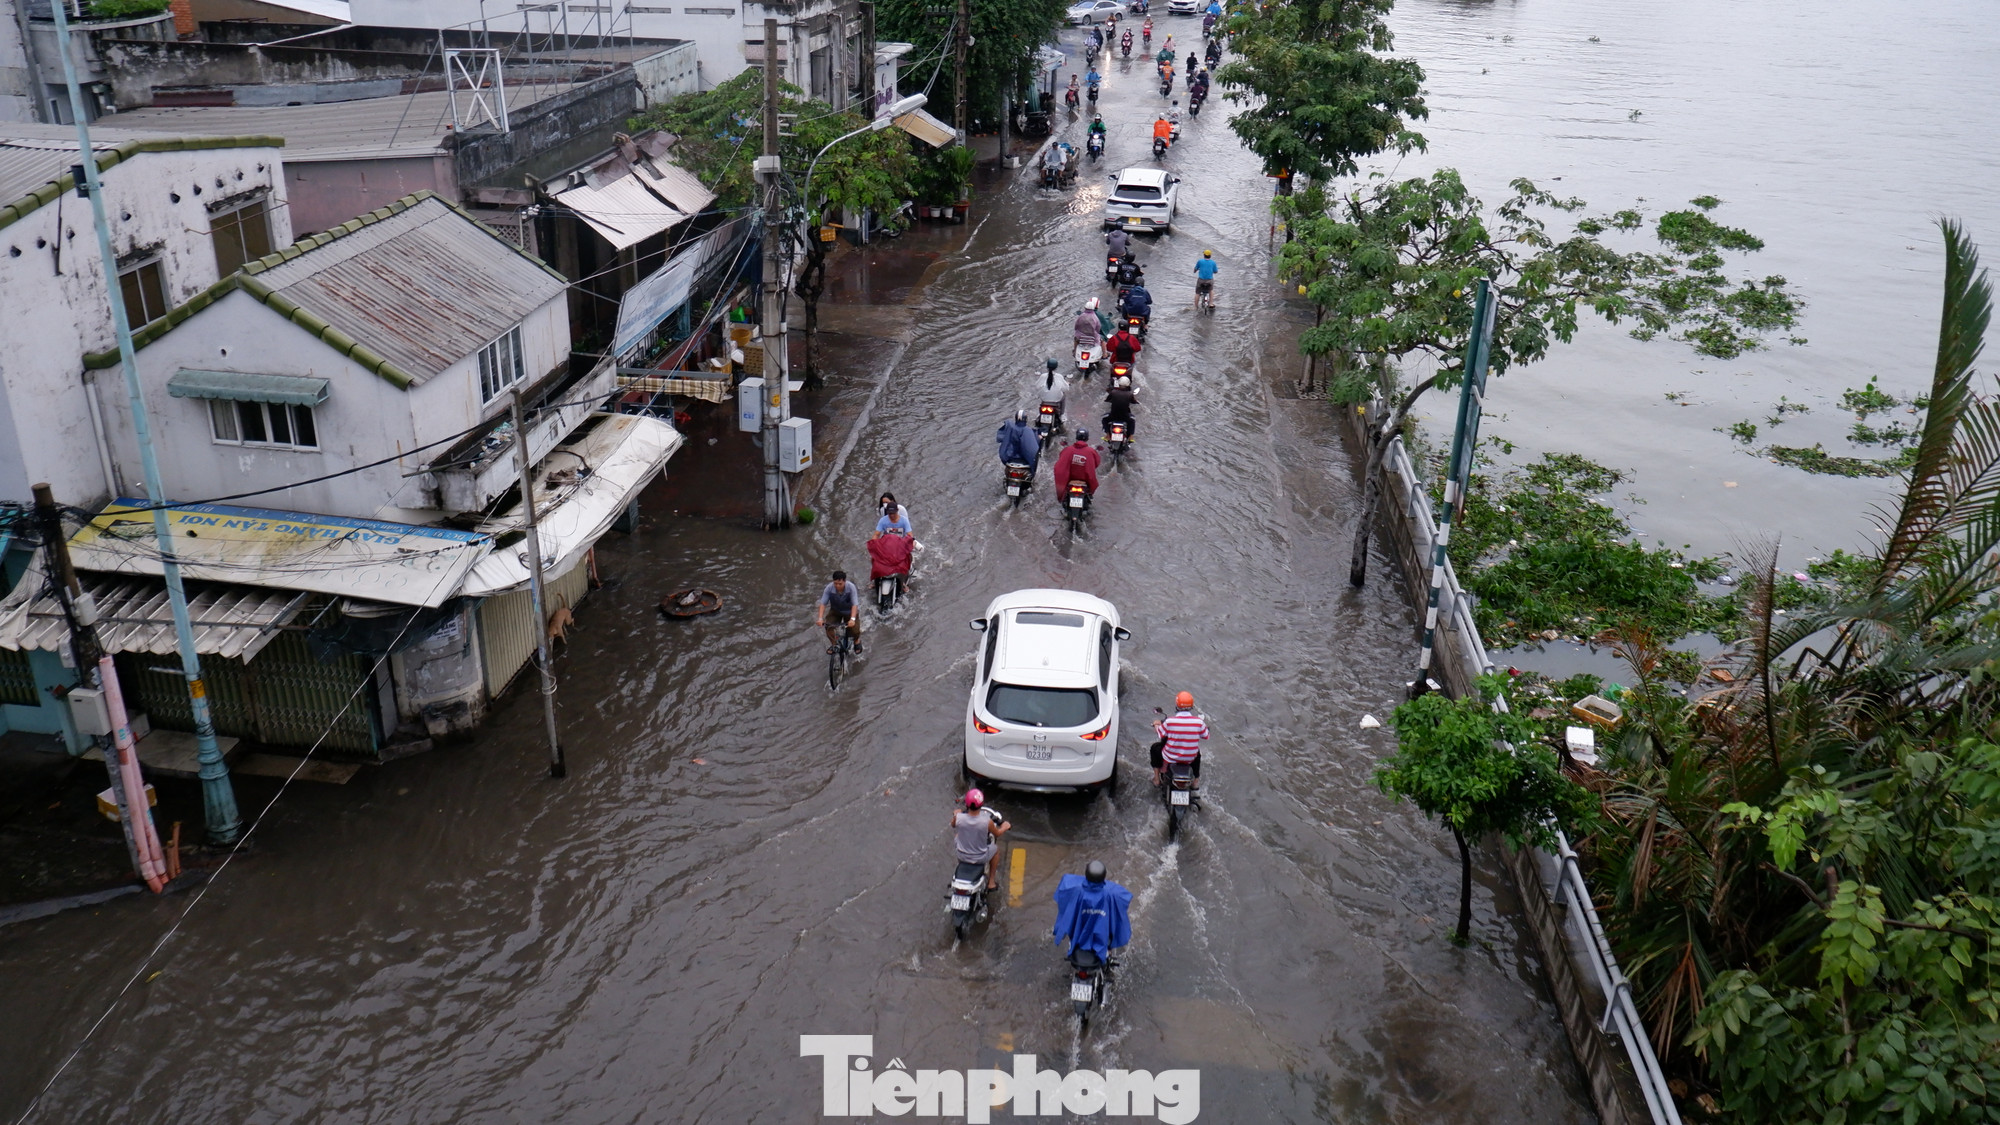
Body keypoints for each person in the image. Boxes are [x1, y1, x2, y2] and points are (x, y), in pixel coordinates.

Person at [1052, 860, 1132, 965]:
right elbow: (1124, 901)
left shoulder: (1074, 889)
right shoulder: (1113, 893)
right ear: (1103, 876)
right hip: (1102, 939)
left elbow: (1063, 894)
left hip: (1079, 934)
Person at [953, 789, 1011, 894]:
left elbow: (953, 825)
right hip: (980, 857)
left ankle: (962, 865)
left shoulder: (959, 818)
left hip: (961, 855)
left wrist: (956, 814)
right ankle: (991, 882)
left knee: (957, 835)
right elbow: (997, 833)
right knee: (995, 849)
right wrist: (1005, 827)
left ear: (967, 804)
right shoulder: (987, 821)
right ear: (981, 804)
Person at [1151, 689, 1210, 786]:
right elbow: (1206, 736)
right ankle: (1195, 781)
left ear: (1177, 705)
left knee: (1154, 748)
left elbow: (1160, 734)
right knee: (1197, 753)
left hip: (1170, 757)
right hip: (1189, 758)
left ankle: (1157, 779)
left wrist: (1156, 724)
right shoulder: (1199, 722)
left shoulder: (1170, 721)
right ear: (1191, 706)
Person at [816, 570, 862, 654]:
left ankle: (856, 641)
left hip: (849, 611)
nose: (837, 586)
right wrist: (820, 618)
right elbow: (823, 604)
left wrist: (852, 619)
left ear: (844, 581)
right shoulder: (829, 588)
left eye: (840, 584)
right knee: (829, 627)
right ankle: (834, 644)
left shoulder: (851, 588)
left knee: (855, 630)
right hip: (835, 611)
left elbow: (854, 605)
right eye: (835, 583)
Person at [1053, 429, 1102, 502]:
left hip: (1069, 480)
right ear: (1087, 438)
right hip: (1085, 480)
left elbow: (1060, 465)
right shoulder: (1091, 451)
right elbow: (1096, 463)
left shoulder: (1068, 450)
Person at [1039, 366, 1066, 431]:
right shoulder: (1059, 377)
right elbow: (1066, 388)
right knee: (1064, 396)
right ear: (1056, 367)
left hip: (1044, 402)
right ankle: (1062, 414)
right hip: (1055, 404)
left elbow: (1036, 386)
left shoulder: (1043, 376)